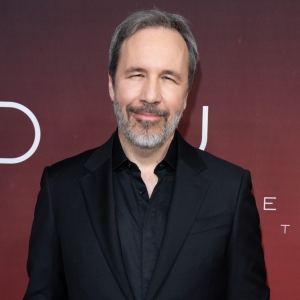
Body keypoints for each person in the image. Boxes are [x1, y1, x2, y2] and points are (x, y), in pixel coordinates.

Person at [24, 9, 270, 300]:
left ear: (187, 94)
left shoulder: (230, 189)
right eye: (137, 74)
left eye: (168, 77)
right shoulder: (59, 188)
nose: (151, 95)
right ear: (111, 85)